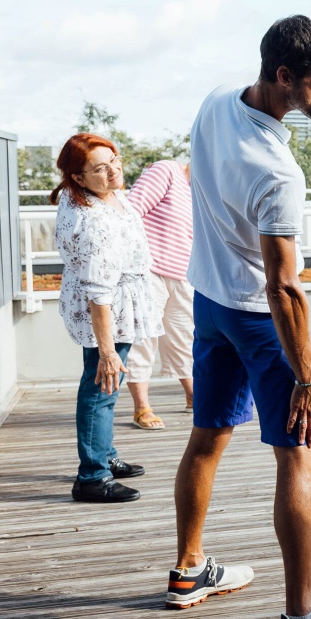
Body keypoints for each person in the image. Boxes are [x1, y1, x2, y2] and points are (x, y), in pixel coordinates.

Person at [170, 15, 311, 619]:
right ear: (287, 76)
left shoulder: (214, 103)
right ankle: (302, 618)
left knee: (207, 436)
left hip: (208, 301)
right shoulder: (278, 172)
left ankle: (187, 573)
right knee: (299, 454)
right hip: (259, 321)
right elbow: (284, 287)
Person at [51, 133, 162, 503]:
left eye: (114, 160)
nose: (113, 171)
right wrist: (107, 350)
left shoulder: (96, 193)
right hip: (107, 310)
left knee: (106, 389)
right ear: (78, 178)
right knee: (101, 387)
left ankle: (104, 455)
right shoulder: (95, 221)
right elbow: (99, 291)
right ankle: (92, 477)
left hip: (116, 302)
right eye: (100, 168)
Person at [125, 157, 195, 426]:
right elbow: (131, 212)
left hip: (184, 274)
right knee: (143, 339)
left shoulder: (206, 190)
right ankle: (142, 406)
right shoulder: (167, 171)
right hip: (148, 271)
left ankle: (193, 396)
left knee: (184, 338)